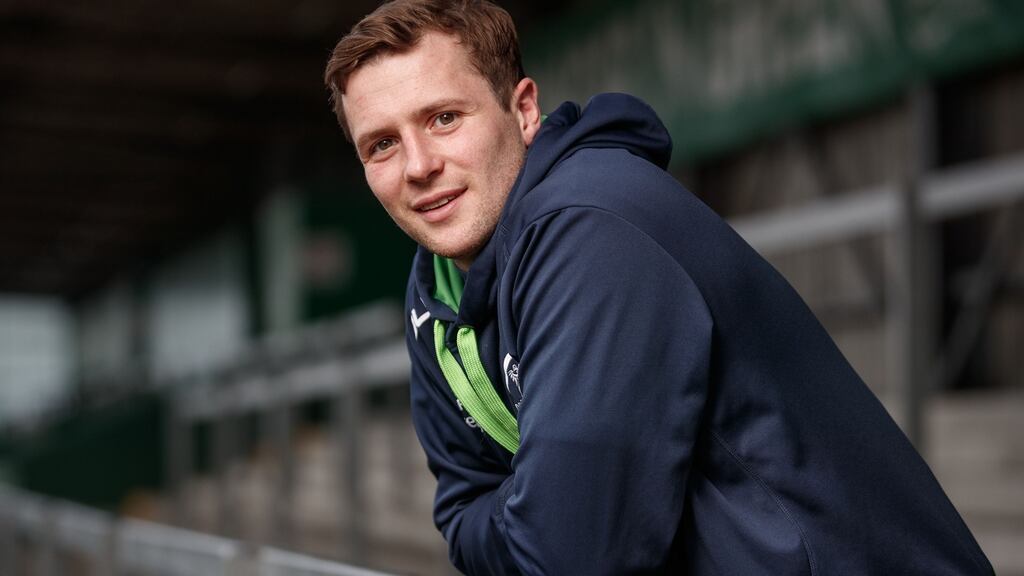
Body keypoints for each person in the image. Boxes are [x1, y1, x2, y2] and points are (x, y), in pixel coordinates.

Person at [324, 1, 993, 574]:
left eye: (444, 118)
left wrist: (539, 511)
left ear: (522, 111)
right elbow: (463, 509)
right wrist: (536, 512)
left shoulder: (594, 229)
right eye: (381, 145)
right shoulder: (435, 287)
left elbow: (573, 557)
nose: (418, 166)